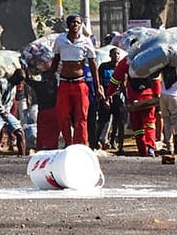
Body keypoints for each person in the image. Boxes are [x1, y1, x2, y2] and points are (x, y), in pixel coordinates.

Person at [49, 14, 103, 146]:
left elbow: (92, 64)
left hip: (80, 84)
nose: (75, 25)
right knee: (63, 116)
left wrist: (98, 87)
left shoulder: (86, 41)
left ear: (81, 25)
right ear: (68, 25)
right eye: (73, 23)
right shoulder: (60, 40)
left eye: (78, 23)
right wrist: (50, 79)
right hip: (64, 83)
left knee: (81, 117)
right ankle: (68, 143)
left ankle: (81, 145)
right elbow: (55, 60)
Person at [106, 54, 161, 157]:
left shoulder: (127, 61)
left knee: (138, 126)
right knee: (149, 123)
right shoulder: (151, 57)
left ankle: (142, 151)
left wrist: (108, 93)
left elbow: (116, 78)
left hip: (133, 97)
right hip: (149, 96)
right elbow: (156, 77)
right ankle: (150, 147)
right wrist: (157, 95)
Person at [95, 47, 124, 151]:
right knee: (103, 120)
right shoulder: (104, 67)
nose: (116, 56)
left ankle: (115, 142)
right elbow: (100, 83)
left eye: (118, 54)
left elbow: (123, 84)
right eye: (114, 54)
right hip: (106, 96)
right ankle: (95, 141)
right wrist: (104, 98)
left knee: (118, 121)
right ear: (110, 55)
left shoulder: (121, 67)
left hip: (117, 97)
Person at [0, 70, 27, 155]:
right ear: (15, 76)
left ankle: (22, 157)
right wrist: (2, 112)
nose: (20, 82)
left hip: (7, 114)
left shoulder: (14, 87)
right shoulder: (3, 83)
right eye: (19, 79)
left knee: (20, 132)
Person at [25, 69, 60, 151]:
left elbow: (28, 80)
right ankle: (52, 149)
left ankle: (42, 150)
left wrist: (26, 69)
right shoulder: (57, 88)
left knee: (42, 133)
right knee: (53, 134)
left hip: (43, 112)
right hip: (54, 112)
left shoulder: (40, 86)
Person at [158, 66, 177, 155]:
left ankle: (169, 147)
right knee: (175, 121)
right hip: (176, 95)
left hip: (163, 94)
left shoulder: (163, 64)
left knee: (166, 121)